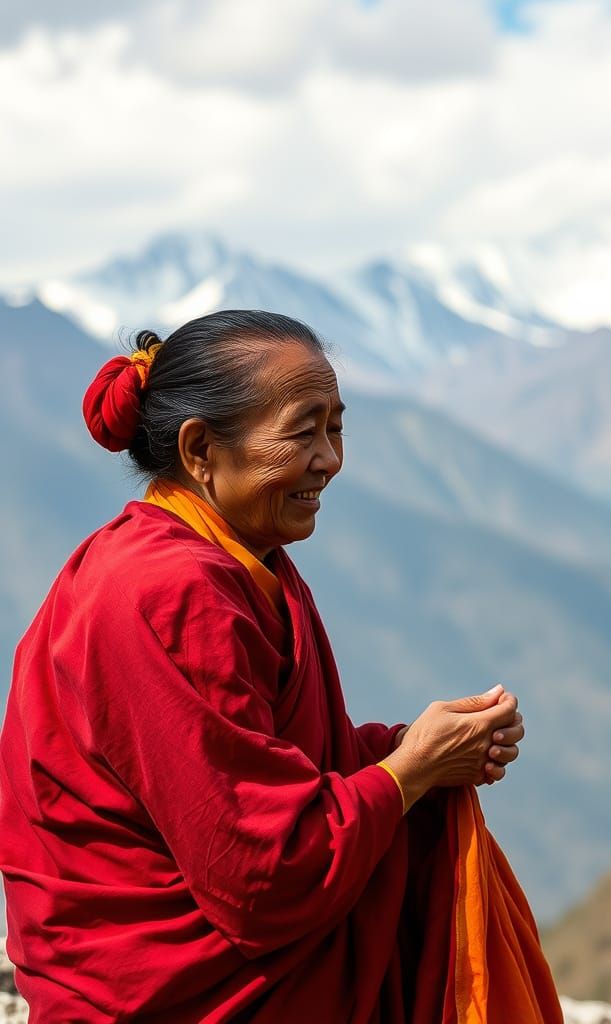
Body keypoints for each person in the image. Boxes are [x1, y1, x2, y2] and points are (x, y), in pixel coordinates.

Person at [0, 310, 562, 1022]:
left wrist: (412, 749)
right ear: (201, 449)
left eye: (336, 428)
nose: (329, 459)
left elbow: (265, 763)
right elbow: (259, 878)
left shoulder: (238, 559)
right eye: (303, 432)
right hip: (163, 998)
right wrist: (409, 773)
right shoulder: (166, 591)